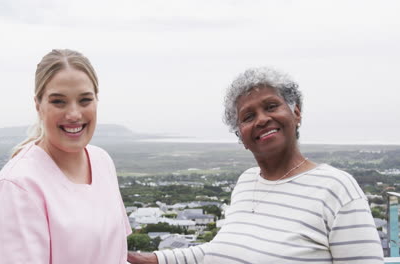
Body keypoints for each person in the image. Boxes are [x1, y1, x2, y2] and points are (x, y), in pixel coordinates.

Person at [128, 67, 383, 263]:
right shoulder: (247, 182)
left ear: (296, 113)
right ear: (241, 136)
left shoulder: (336, 189)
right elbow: (225, 248)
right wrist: (157, 258)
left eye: (271, 106)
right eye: (248, 117)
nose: (262, 119)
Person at [0, 49, 131, 263]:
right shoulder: (17, 187)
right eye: (58, 102)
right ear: (38, 105)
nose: (74, 114)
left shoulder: (102, 161)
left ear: (96, 101)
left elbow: (116, 253)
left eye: (85, 100)